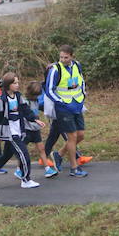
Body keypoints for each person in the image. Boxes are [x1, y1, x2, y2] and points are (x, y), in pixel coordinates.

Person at [0, 73, 42, 188]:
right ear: (8, 85)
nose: (17, 85)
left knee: (6, 155)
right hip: (9, 133)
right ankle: (26, 180)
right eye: (15, 83)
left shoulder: (19, 97)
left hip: (18, 130)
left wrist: (35, 120)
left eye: (18, 82)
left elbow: (26, 110)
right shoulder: (2, 100)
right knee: (24, 154)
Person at [43, 45, 88, 177]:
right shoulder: (55, 69)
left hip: (77, 105)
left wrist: (83, 95)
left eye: (66, 57)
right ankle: (74, 168)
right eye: (61, 57)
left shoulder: (77, 66)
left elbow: (81, 81)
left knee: (81, 135)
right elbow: (49, 89)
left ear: (72, 56)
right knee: (72, 137)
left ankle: (59, 154)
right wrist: (61, 102)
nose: (63, 59)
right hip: (63, 108)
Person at [23, 80, 54, 177]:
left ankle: (47, 169)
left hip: (36, 129)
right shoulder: (25, 102)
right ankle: (19, 169)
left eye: (38, 95)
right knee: (23, 151)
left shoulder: (37, 101)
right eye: (34, 95)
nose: (36, 97)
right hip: (26, 129)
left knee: (41, 149)